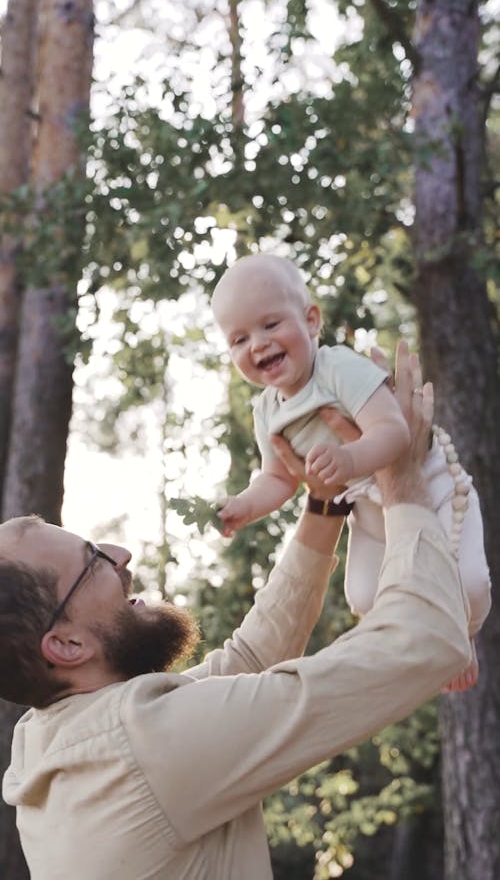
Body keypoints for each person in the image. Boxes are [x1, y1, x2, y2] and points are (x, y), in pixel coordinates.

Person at [1, 343, 471, 880]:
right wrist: (401, 478)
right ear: (66, 645)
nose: (122, 556)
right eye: (94, 561)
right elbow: (425, 643)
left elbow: (248, 658)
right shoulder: (144, 745)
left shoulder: (54, 741)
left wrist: (324, 506)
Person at [211, 253, 491, 692]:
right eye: (239, 339)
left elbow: (394, 431)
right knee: (363, 596)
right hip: (368, 511)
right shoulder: (266, 409)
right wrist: (244, 506)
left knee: (468, 582)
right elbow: (279, 478)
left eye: (270, 324)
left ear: (310, 320)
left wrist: (350, 459)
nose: (258, 344)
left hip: (432, 489)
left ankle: (463, 637)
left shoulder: (337, 368)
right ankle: (423, 655)